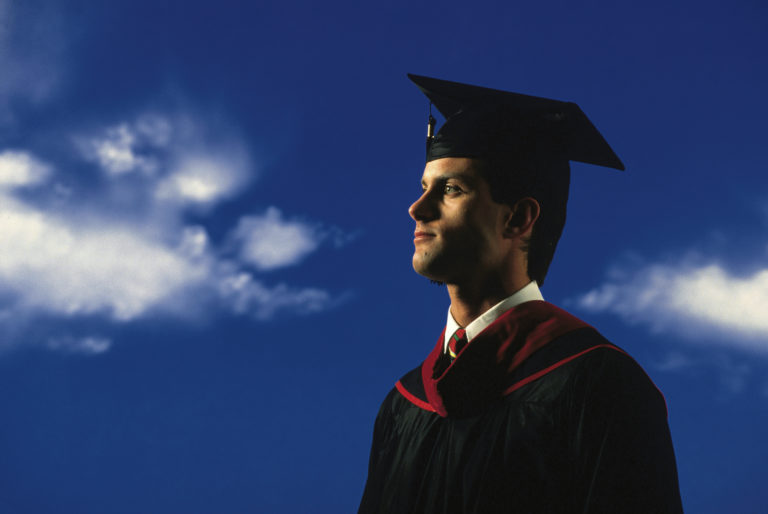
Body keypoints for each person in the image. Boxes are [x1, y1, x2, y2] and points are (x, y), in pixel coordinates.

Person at [358, 74, 683, 514]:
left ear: (518, 219)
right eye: (423, 188)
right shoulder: (403, 405)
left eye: (451, 189)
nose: (418, 208)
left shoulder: (600, 387)